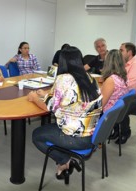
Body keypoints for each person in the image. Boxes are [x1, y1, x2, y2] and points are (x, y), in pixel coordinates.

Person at [29, 46, 102, 180]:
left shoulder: (64, 78)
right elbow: (70, 97)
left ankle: (64, 160)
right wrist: (46, 94)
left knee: (36, 135)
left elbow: (48, 108)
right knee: (47, 129)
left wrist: (34, 98)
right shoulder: (89, 77)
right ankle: (65, 161)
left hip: (75, 138)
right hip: (93, 134)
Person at [110, 42, 136, 144]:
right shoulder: (125, 63)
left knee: (120, 107)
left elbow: (130, 86)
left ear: (130, 52)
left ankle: (125, 132)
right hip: (128, 94)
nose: (119, 52)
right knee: (110, 103)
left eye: (121, 50)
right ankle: (116, 130)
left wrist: (113, 91)